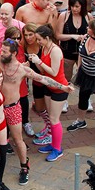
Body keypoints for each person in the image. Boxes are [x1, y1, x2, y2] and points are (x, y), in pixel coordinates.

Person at [0, 26, 73, 185]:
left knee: (18, 140)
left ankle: (24, 167)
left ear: (13, 53)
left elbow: (43, 79)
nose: (1, 52)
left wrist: (63, 87)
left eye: (5, 51)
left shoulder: (21, 70)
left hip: (13, 108)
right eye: (1, 50)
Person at [28, 25, 70, 162]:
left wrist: (39, 61)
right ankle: (52, 144)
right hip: (48, 86)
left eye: (39, 39)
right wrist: (36, 61)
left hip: (59, 88)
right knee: (50, 116)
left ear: (47, 38)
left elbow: (54, 72)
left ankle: (57, 149)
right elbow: (42, 71)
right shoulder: (44, 47)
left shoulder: (56, 51)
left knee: (54, 118)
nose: (37, 42)